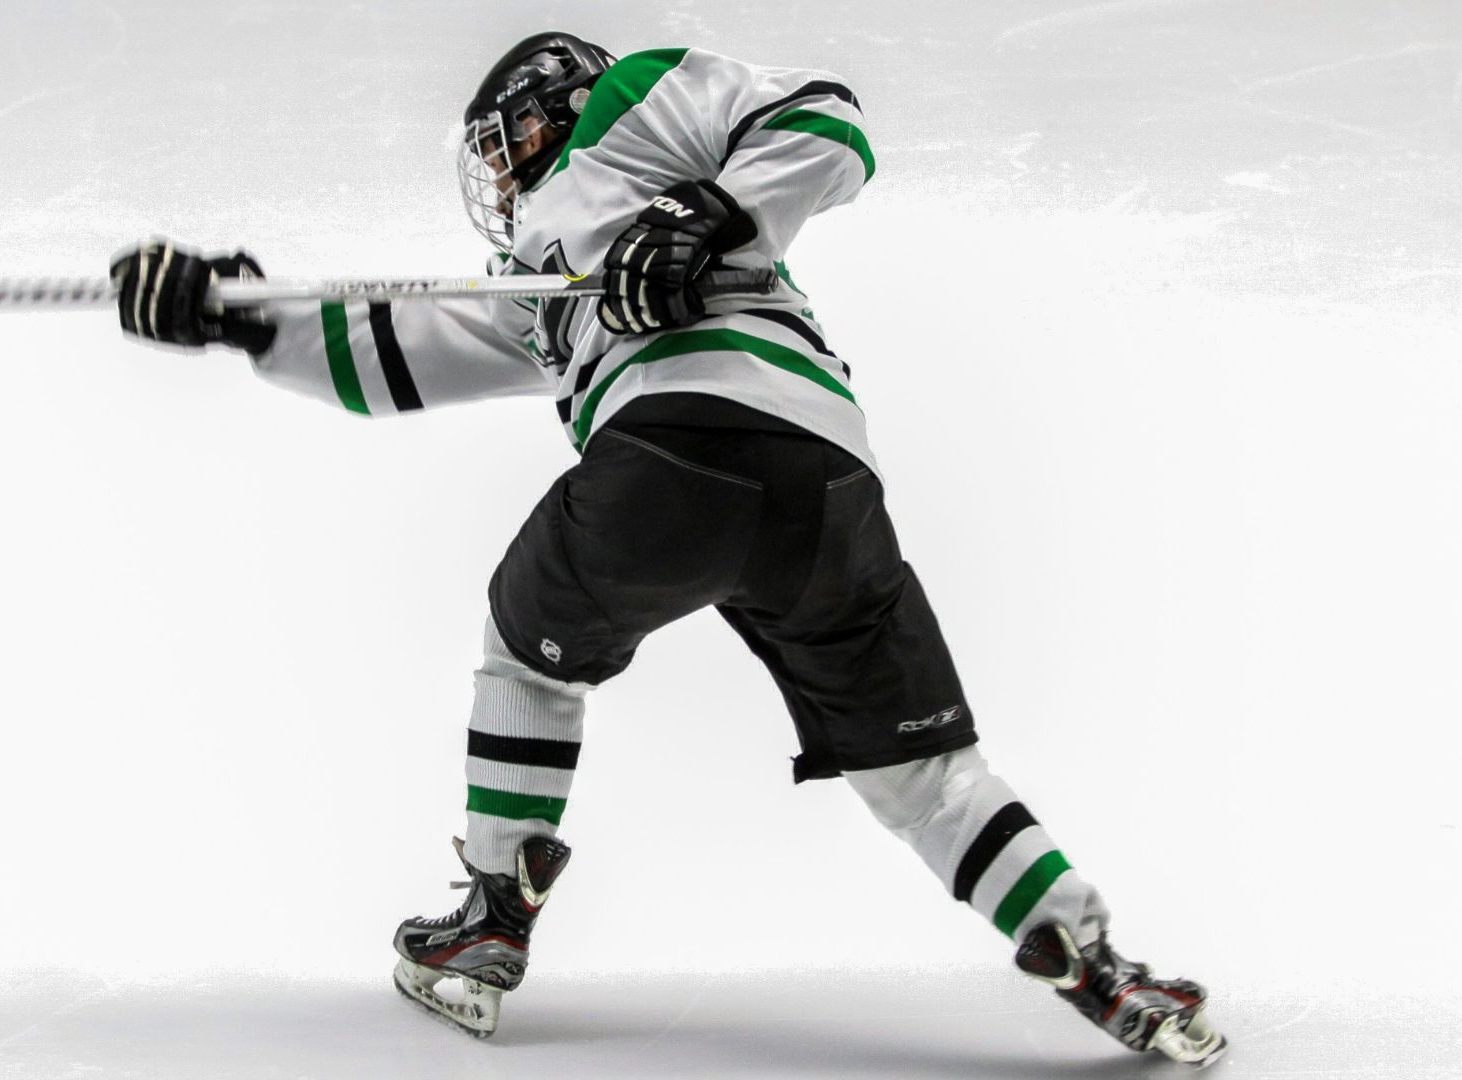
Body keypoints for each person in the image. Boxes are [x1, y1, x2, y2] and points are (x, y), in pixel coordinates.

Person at [112, 32, 1226, 1067]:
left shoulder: (630, 105)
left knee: (526, 642)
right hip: (827, 488)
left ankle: (494, 919)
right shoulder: (541, 284)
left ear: (542, 109)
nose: (497, 182)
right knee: (923, 775)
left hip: (675, 455)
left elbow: (828, 124)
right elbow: (394, 356)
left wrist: (709, 211)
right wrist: (238, 314)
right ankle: (1096, 963)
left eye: (500, 149)